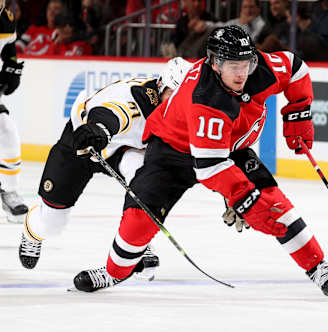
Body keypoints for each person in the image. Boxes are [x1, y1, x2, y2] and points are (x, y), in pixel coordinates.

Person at [73, 25, 328, 297]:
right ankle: (113, 272)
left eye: (246, 64)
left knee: (274, 201)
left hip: (228, 148)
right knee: (139, 220)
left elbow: (296, 68)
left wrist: (299, 111)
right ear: (215, 63)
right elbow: (209, 168)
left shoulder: (260, 68)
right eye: (232, 66)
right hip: (172, 151)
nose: (241, 74)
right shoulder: (205, 100)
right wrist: (244, 199)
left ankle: (318, 266)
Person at [18, 57, 194, 281]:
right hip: (83, 143)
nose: (177, 105)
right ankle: (32, 231)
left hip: (122, 150)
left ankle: (136, 239)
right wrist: (99, 130)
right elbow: (113, 113)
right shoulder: (137, 99)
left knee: (145, 172)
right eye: (173, 96)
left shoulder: (183, 112)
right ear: (160, 86)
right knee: (52, 223)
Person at [0, 1, 28, 223]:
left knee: (7, 130)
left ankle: (10, 191)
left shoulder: (6, 19)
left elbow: (8, 47)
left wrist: (11, 69)